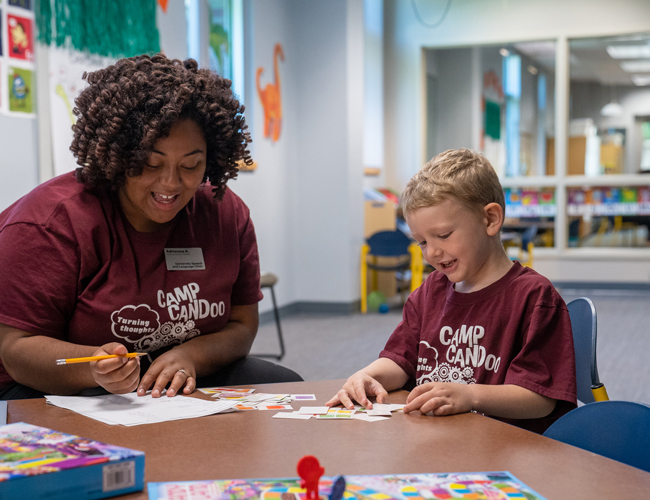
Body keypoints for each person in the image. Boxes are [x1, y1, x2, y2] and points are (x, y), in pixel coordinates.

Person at [0, 54, 301, 400]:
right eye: (150, 163)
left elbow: (242, 326)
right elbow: (16, 350)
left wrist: (190, 355)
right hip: (50, 385)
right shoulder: (50, 223)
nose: (170, 183)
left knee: (284, 384)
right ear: (118, 153)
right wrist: (92, 366)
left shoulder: (225, 214)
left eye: (191, 165)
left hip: (170, 375)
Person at [327, 149, 576, 433]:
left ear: (491, 219)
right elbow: (401, 361)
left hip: (505, 447)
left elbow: (540, 398)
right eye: (421, 242)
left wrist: (470, 396)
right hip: (440, 440)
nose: (432, 252)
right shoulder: (430, 291)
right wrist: (368, 375)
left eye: (443, 235)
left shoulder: (534, 297)